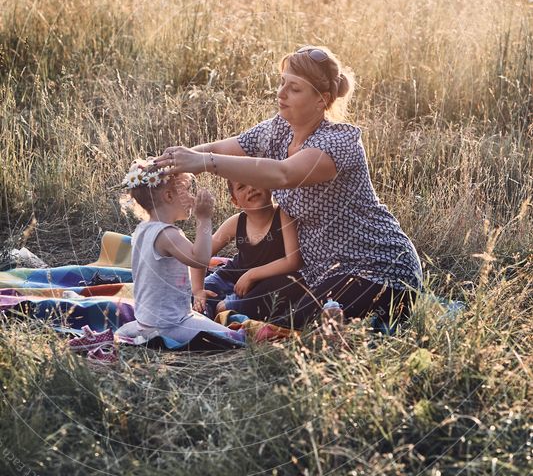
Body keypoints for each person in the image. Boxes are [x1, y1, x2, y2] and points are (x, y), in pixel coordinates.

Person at [154, 46, 423, 329]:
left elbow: (283, 174)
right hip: (315, 270)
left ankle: (338, 329)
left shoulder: (338, 143)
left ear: (322, 100)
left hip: (378, 268)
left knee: (294, 324)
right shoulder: (278, 129)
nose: (281, 93)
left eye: (294, 88)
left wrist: (202, 162)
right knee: (250, 304)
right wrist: (167, 165)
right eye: (282, 83)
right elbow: (221, 148)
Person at [116, 160, 244, 345]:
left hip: (148, 321)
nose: (192, 198)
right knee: (234, 338)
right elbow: (200, 260)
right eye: (188, 191)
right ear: (169, 196)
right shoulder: (167, 234)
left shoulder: (143, 229)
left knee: (207, 324)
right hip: (171, 324)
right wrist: (204, 218)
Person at [191, 180, 302, 318]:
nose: (251, 187)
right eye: (242, 186)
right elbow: (200, 255)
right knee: (191, 297)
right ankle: (206, 322)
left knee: (294, 282)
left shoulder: (283, 214)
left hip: (263, 286)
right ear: (235, 202)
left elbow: (293, 261)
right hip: (230, 278)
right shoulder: (236, 222)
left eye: (253, 178)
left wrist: (251, 275)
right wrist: (198, 290)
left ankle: (229, 309)